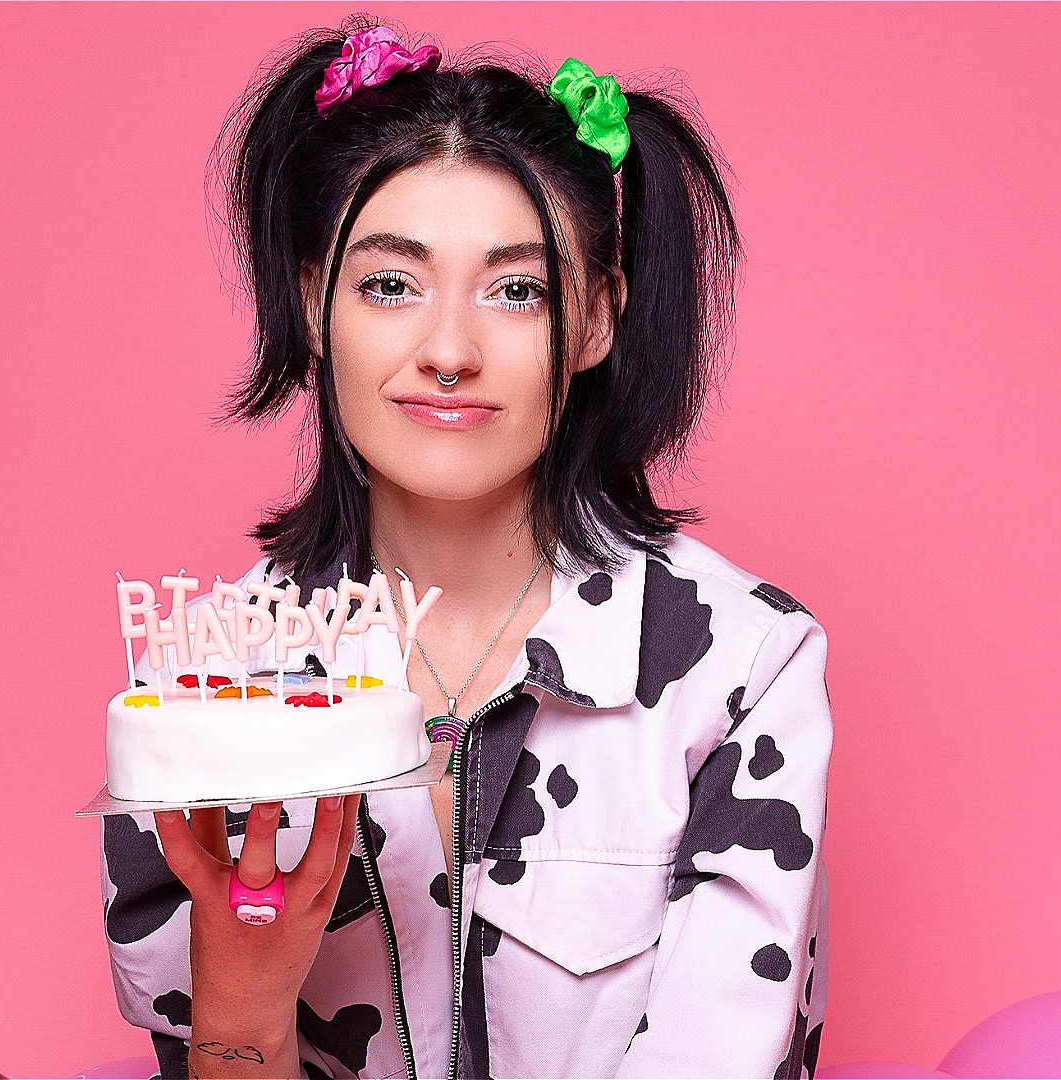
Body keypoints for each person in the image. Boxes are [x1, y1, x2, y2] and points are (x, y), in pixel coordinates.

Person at [101, 21, 832, 1080]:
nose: (448, 351)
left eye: (517, 290)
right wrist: (241, 1010)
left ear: (595, 324)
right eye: (390, 285)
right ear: (314, 302)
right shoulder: (201, 692)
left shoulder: (739, 668)